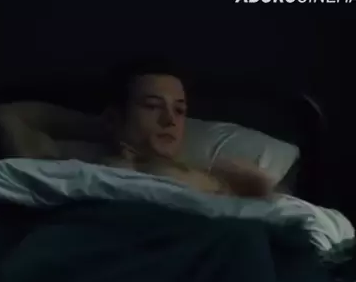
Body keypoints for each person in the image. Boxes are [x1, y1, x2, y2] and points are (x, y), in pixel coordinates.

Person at [100, 58, 274, 198]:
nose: (170, 120)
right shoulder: (100, 174)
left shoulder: (214, 177)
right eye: (152, 106)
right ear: (112, 118)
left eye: (179, 110)